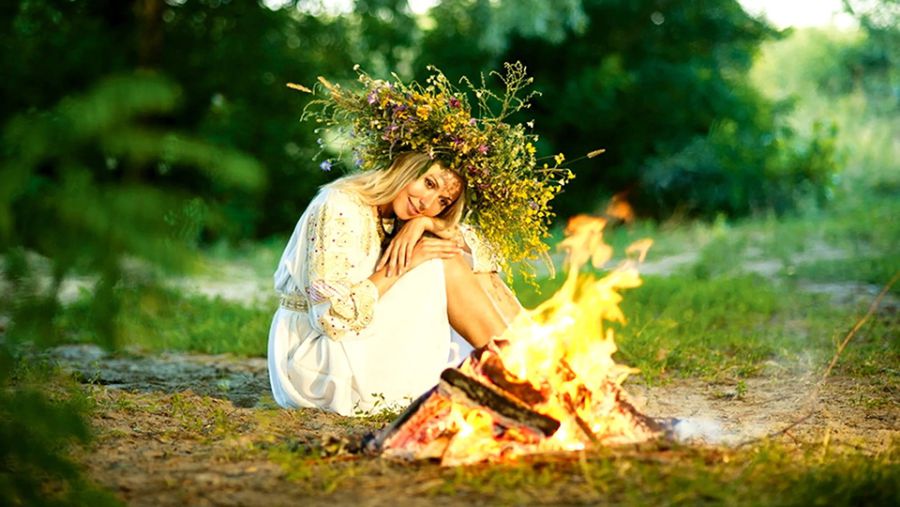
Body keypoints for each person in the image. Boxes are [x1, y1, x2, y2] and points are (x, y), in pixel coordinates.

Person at [269, 64, 572, 415]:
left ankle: (531, 368)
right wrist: (408, 263)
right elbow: (332, 318)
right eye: (428, 184)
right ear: (405, 167)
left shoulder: (407, 216)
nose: (428, 203)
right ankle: (524, 376)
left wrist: (427, 224)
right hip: (315, 362)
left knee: (450, 256)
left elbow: (483, 262)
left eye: (443, 201)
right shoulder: (339, 206)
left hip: (352, 346)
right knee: (438, 261)